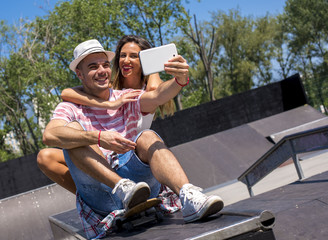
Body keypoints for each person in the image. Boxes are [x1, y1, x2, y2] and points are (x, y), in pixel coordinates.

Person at [42, 39, 224, 238]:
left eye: (104, 65)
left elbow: (155, 97)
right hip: (103, 192)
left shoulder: (126, 96)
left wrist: (179, 80)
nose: (102, 70)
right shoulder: (69, 107)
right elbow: (50, 134)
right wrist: (98, 137)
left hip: (140, 185)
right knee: (72, 134)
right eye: (93, 67)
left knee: (147, 136)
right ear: (80, 74)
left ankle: (189, 196)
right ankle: (121, 186)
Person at [37, 35, 174, 195]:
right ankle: (93, 195)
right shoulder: (112, 88)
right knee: (48, 154)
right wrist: (108, 104)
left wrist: (153, 68)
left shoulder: (143, 93)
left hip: (132, 157)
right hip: (106, 153)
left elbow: (155, 93)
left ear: (144, 60)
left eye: (134, 56)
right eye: (122, 55)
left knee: (147, 138)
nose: (126, 60)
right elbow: (66, 93)